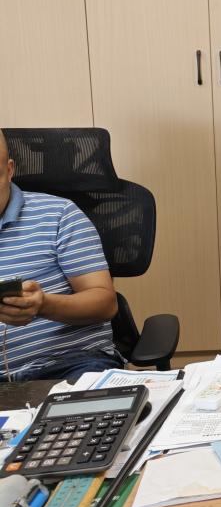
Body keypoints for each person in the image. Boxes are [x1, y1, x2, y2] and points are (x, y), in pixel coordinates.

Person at [0, 129, 121, 381]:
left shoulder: (59, 214)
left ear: (9, 170)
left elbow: (105, 303)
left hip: (69, 363)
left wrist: (43, 305)